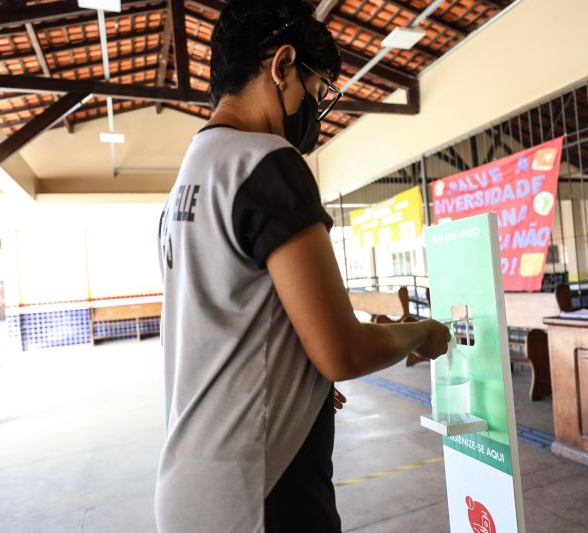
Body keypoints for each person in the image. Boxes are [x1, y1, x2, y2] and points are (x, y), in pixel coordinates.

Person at [154, 1, 451, 531]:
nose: (311, 111)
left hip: (191, 486)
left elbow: (231, 324)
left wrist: (299, 380)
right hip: (261, 493)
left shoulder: (190, 178)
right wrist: (421, 332)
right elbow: (342, 351)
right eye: (313, 93)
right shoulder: (266, 161)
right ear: (282, 65)